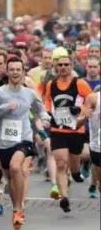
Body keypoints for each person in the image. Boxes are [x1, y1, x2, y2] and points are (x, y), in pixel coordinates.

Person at [0, 56, 50, 230]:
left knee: (15, 167)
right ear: (7, 70)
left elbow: (40, 108)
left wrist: (44, 118)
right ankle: (15, 208)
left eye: (18, 69)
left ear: (22, 72)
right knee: (10, 178)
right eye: (11, 69)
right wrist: (4, 108)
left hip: (24, 139)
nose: (15, 72)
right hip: (2, 143)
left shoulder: (29, 93)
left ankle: (19, 208)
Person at [44, 54, 92, 212]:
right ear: (56, 67)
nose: (63, 67)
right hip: (58, 130)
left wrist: (80, 111)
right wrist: (48, 114)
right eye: (60, 65)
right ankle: (64, 197)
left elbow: (91, 101)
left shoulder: (79, 83)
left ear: (72, 66)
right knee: (61, 164)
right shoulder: (51, 84)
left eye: (66, 64)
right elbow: (48, 102)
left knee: (73, 164)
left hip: (76, 130)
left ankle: (77, 172)